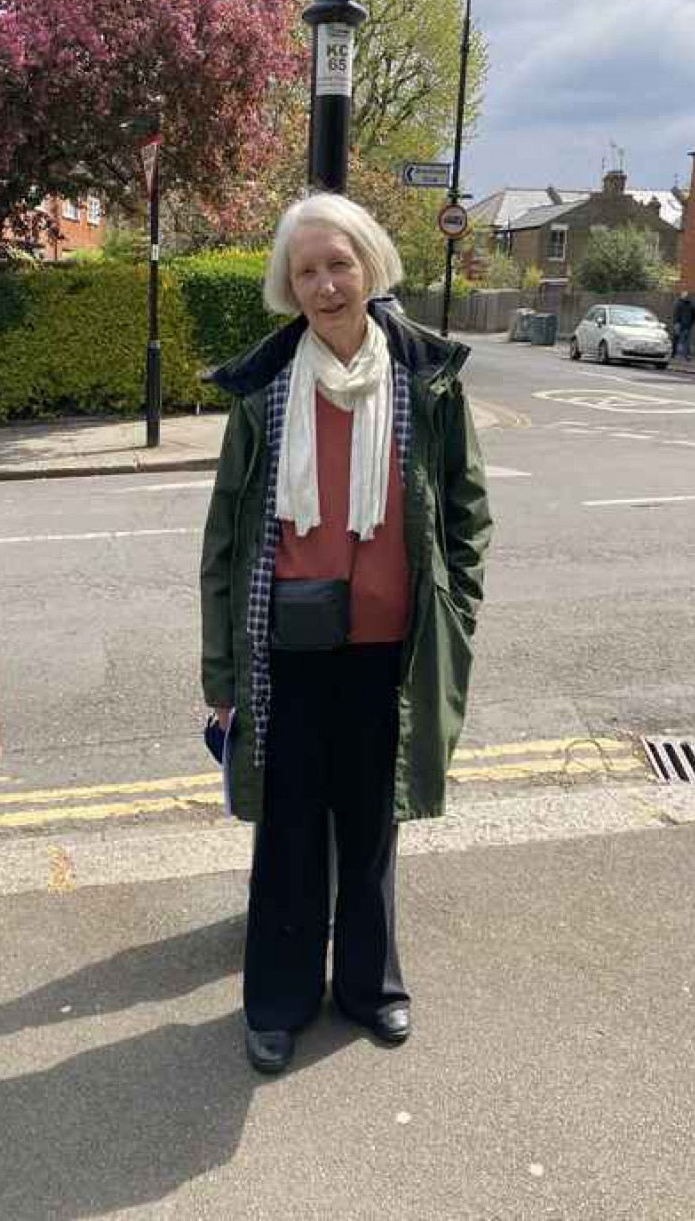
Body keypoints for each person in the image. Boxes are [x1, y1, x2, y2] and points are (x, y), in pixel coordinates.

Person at [200, 194, 492, 1074]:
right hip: (285, 647)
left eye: (338, 263)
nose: (325, 284)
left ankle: (371, 988)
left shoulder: (425, 378)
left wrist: (456, 610)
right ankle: (279, 1000)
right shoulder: (264, 390)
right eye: (306, 270)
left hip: (388, 650)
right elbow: (224, 536)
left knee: (372, 826)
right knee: (287, 833)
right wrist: (220, 668)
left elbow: (468, 510)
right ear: (288, 287)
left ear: (370, 266)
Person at [672, 291, 695, 362]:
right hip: (687, 325)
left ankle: (673, 354)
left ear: (682, 296)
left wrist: (675, 322)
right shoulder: (691, 304)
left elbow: (675, 314)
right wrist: (691, 323)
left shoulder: (678, 303)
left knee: (676, 339)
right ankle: (687, 356)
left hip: (679, 324)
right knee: (686, 341)